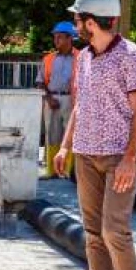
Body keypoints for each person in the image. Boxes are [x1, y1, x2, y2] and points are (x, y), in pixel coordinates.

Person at [55, 0, 136, 270]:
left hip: (118, 159)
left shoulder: (132, 56)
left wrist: (129, 159)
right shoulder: (84, 58)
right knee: (93, 232)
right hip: (85, 156)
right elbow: (81, 105)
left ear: (91, 22)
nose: (75, 24)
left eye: (77, 18)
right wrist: (66, 146)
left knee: (115, 230)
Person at [37, 21, 78, 178]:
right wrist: (48, 98)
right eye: (55, 37)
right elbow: (40, 82)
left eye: (60, 37)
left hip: (71, 100)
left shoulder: (81, 57)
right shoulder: (48, 59)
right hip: (52, 99)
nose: (56, 41)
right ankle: (52, 170)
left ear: (70, 39)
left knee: (71, 135)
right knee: (51, 135)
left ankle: (67, 170)